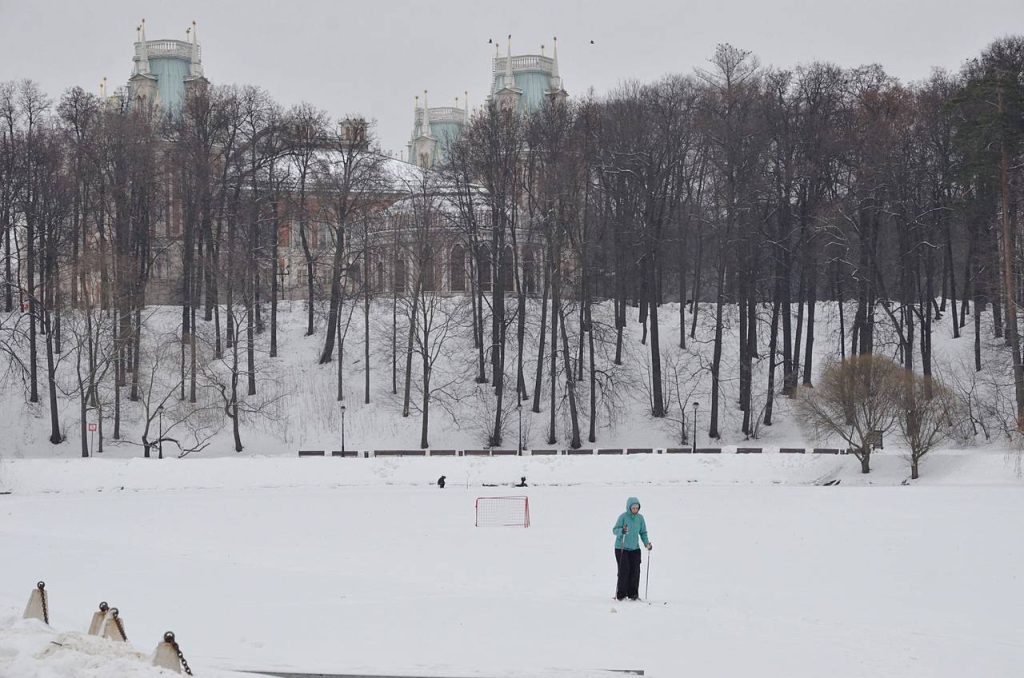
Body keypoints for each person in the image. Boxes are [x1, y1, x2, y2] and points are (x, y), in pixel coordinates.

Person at [612, 496, 652, 601]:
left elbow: (643, 533)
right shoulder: (623, 517)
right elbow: (615, 530)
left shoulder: (640, 518)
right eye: (633, 508)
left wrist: (647, 544)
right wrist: (622, 531)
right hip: (622, 548)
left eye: (637, 508)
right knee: (624, 570)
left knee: (635, 571)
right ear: (629, 507)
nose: (635, 510)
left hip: (635, 549)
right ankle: (621, 594)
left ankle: (633, 594)